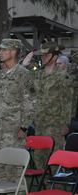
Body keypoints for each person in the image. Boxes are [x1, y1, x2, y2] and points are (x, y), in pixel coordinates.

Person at [0, 39, 36, 190]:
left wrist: (24, 127)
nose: (0, 53)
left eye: (4, 50)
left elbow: (30, 103)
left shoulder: (24, 75)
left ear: (13, 52)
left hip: (14, 130)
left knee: (14, 170)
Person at [29, 42, 73, 172]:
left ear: (54, 57)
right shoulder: (38, 75)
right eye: (42, 55)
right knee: (40, 160)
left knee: (56, 161)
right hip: (40, 124)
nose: (43, 58)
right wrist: (25, 63)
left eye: (46, 55)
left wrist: (65, 124)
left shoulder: (62, 77)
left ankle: (58, 189)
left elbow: (67, 102)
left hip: (55, 125)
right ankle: (45, 190)